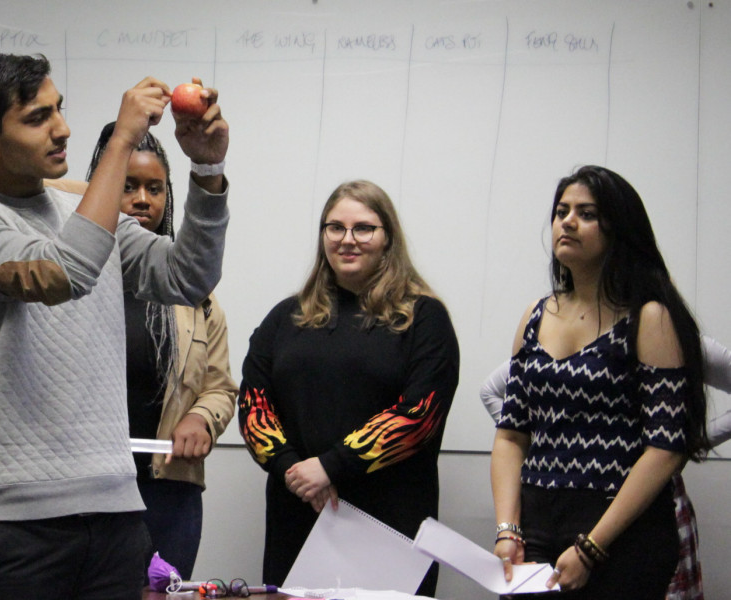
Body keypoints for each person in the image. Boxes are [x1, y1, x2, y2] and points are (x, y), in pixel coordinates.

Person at [0, 53, 230, 600]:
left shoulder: (82, 205)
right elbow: (65, 273)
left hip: (116, 511)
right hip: (13, 524)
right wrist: (121, 142)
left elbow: (187, 278)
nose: (61, 128)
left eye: (59, 109)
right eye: (37, 117)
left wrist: (206, 171)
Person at [491, 165, 711, 599]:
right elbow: (511, 436)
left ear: (618, 230)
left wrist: (592, 547)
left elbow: (666, 449)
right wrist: (507, 529)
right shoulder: (535, 315)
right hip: (535, 523)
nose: (567, 222)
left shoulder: (649, 317)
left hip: (619, 532)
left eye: (586, 213)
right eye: (561, 211)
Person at [237, 180, 460, 597]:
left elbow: (419, 415)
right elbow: (253, 404)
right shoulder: (285, 317)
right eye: (335, 228)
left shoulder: (424, 318)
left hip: (389, 525)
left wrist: (330, 467)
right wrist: (292, 468)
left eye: (364, 228)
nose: (347, 240)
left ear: (387, 237)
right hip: (297, 512)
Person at [86, 124, 237, 579]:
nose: (141, 199)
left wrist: (201, 419)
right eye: (127, 185)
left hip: (168, 489)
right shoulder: (75, 284)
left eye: (155, 188)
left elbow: (221, 388)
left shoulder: (197, 298)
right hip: (88, 486)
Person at [482, 333, 731, 600]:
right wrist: (548, 443)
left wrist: (686, 444)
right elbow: (493, 394)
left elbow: (665, 449)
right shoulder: (556, 330)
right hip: (555, 511)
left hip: (642, 502)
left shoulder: (670, 331)